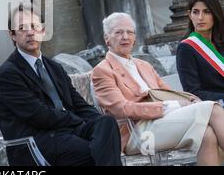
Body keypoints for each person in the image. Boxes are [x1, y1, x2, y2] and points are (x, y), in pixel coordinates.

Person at [0, 4, 122, 166]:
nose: (30, 32)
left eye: (34, 26)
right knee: (93, 151)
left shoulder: (54, 67)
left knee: (107, 123)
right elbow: (39, 115)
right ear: (12, 35)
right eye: (22, 28)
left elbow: (78, 104)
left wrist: (95, 121)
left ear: (43, 30)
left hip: (67, 130)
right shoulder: (9, 73)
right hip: (37, 140)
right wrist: (78, 121)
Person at [92, 12, 224, 165]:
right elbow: (122, 109)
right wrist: (170, 106)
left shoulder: (145, 65)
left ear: (135, 38)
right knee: (213, 108)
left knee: (207, 134)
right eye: (118, 32)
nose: (125, 37)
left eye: (130, 32)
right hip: (137, 133)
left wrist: (189, 99)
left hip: (164, 122)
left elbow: (168, 93)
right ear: (107, 38)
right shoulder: (102, 71)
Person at [176, 0, 224, 103]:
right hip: (215, 107)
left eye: (207, 12)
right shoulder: (186, 48)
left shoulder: (221, 43)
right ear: (190, 15)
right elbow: (193, 92)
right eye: (196, 12)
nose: (200, 18)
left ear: (215, 14)